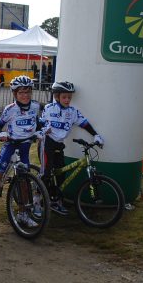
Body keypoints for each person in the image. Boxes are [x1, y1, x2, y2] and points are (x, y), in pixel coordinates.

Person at [0, 76, 45, 226]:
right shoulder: (10, 109)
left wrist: (40, 131)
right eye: (21, 93)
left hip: (25, 146)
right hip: (11, 145)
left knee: (24, 181)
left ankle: (23, 213)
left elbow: (38, 123)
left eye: (28, 92)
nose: (25, 95)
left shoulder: (35, 106)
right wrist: (1, 134)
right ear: (15, 94)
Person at [40, 81, 104, 215]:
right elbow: (41, 123)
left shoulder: (72, 112)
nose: (67, 100)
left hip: (59, 145)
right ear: (57, 97)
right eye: (64, 97)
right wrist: (43, 129)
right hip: (47, 143)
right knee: (46, 173)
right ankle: (37, 201)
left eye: (69, 97)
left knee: (61, 174)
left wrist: (96, 135)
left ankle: (56, 201)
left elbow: (85, 124)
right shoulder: (49, 108)